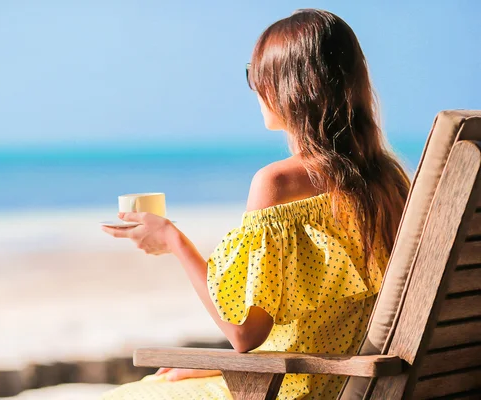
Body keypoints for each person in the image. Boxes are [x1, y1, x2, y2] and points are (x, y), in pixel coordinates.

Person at [101, 8, 410, 400]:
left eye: (255, 74)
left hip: (288, 389)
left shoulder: (277, 184)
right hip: (342, 382)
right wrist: (216, 363)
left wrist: (174, 241)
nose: (253, 88)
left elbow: (244, 333)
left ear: (290, 87)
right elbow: (323, 329)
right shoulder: (389, 182)